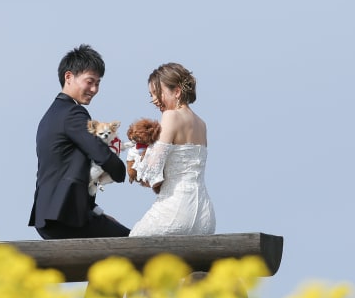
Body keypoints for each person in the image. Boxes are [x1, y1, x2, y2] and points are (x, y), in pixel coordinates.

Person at [29, 44, 130, 239]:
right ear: (69, 77)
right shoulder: (73, 113)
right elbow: (101, 154)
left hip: (52, 215)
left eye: (98, 83)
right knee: (136, 245)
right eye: (90, 81)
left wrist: (98, 213)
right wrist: (121, 170)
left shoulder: (51, 115)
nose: (94, 89)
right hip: (65, 217)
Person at [131, 62, 215, 236]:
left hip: (175, 210)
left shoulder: (170, 116)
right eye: (151, 95)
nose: (154, 100)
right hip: (205, 216)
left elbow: (151, 171)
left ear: (177, 92)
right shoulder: (201, 123)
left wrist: (137, 153)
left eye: (157, 93)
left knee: (134, 242)